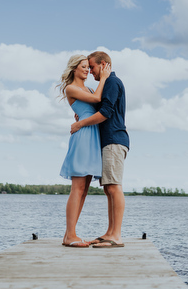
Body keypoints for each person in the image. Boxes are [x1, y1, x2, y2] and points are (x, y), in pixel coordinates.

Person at [70, 51, 129, 248]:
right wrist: (83, 114)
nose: (91, 72)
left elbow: (105, 112)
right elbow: (97, 107)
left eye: (92, 67)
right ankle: (110, 233)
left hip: (113, 139)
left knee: (114, 187)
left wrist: (81, 123)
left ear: (103, 65)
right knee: (108, 188)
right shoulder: (106, 83)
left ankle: (116, 235)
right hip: (107, 141)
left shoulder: (111, 82)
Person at [57, 54, 111, 248]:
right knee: (77, 188)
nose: (88, 70)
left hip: (92, 135)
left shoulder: (86, 88)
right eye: (84, 67)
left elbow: (94, 105)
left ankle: (70, 235)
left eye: (89, 67)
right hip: (82, 137)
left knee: (84, 190)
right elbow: (97, 98)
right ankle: (70, 235)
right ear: (74, 69)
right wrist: (104, 77)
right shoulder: (71, 87)